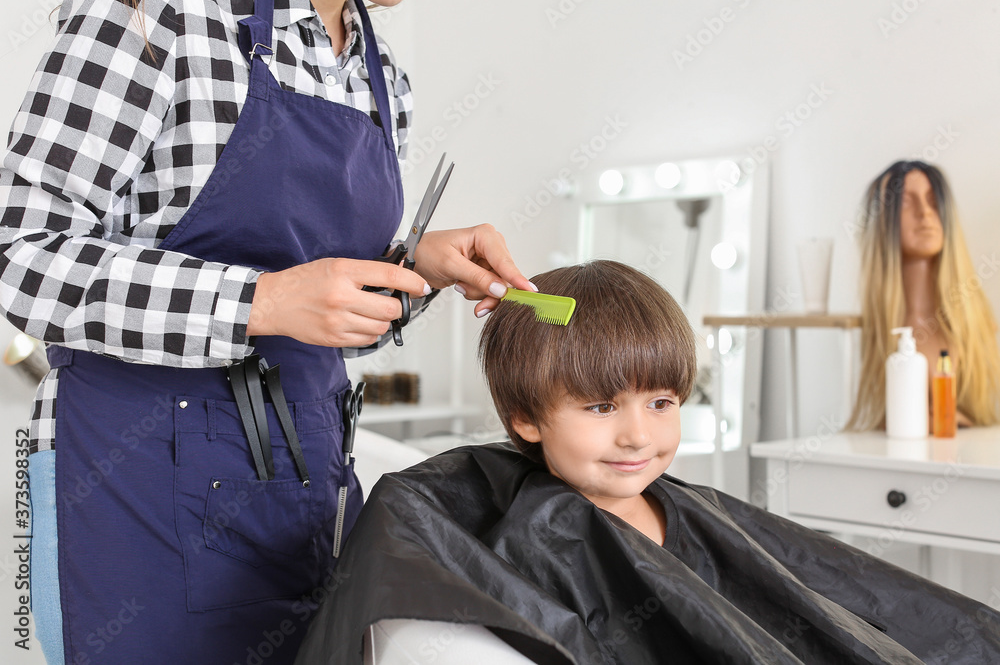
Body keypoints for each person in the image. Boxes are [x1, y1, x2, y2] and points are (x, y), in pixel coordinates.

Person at [0, 0, 532, 662]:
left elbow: (324, 327)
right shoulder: (164, 13)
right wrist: (261, 299)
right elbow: (24, 256)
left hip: (303, 488)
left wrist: (412, 267)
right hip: (137, 487)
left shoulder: (381, 70)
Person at [294, 260, 1000, 664]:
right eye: (601, 408)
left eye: (662, 401)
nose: (638, 434)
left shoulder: (691, 507)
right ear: (526, 418)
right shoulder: (537, 535)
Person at [847, 160, 1000, 432]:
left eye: (932, 201)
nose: (924, 213)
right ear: (881, 221)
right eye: (906, 202)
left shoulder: (979, 325)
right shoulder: (877, 331)